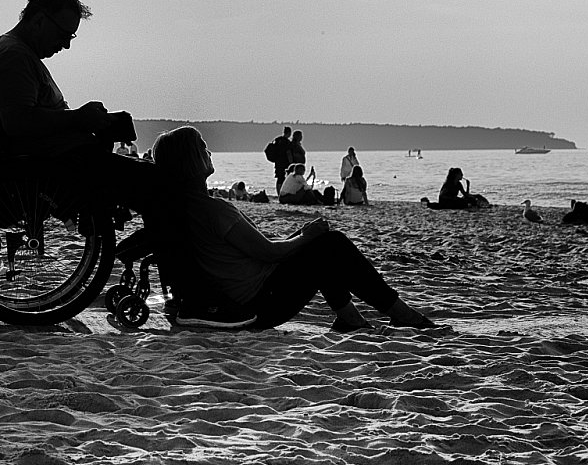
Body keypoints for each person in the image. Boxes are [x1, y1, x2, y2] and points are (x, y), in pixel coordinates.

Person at [149, 126, 435, 331]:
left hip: (246, 293)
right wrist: (305, 236)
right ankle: (401, 314)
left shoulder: (187, 209)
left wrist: (303, 239)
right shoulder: (214, 211)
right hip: (258, 302)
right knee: (331, 244)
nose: (209, 151)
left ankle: (350, 318)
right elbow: (269, 253)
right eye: (202, 147)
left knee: (320, 246)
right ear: (191, 160)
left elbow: (258, 253)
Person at [0, 0, 151, 212]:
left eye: (70, 37)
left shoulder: (21, 54)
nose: (66, 45)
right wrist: (79, 118)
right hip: (51, 164)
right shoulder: (13, 56)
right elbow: (18, 122)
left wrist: (86, 119)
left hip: (60, 157)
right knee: (159, 182)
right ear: (39, 21)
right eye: (64, 35)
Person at [267, 126, 293, 192]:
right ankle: (283, 192)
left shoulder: (278, 140)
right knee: (285, 178)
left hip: (278, 163)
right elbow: (288, 153)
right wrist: (291, 163)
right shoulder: (287, 142)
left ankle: (279, 193)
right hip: (285, 163)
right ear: (289, 133)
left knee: (279, 178)